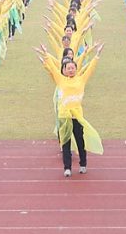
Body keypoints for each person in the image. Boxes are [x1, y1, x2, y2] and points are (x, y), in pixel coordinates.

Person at [36, 42, 105, 178]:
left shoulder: (81, 79)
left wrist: (97, 55)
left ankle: (83, 164)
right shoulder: (60, 80)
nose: (71, 70)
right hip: (64, 116)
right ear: (64, 70)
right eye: (68, 68)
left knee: (80, 142)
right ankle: (67, 167)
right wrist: (45, 53)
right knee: (65, 142)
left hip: (77, 117)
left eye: (73, 68)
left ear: (76, 68)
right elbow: (51, 67)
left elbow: (90, 69)